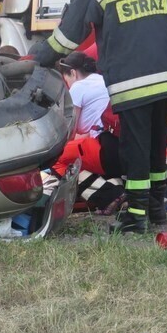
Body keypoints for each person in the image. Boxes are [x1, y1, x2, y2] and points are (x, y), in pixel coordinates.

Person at [31, 0, 167, 233]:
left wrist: (36, 58)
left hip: (131, 86)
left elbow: (67, 36)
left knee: (134, 149)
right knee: (156, 147)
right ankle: (158, 211)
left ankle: (135, 217)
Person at [48, 52, 125, 214]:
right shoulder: (105, 80)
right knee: (80, 155)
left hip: (105, 149)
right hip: (123, 147)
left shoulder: (78, 87)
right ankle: (118, 189)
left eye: (66, 80)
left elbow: (69, 131)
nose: (67, 86)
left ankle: (110, 196)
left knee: (59, 159)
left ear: (73, 73)